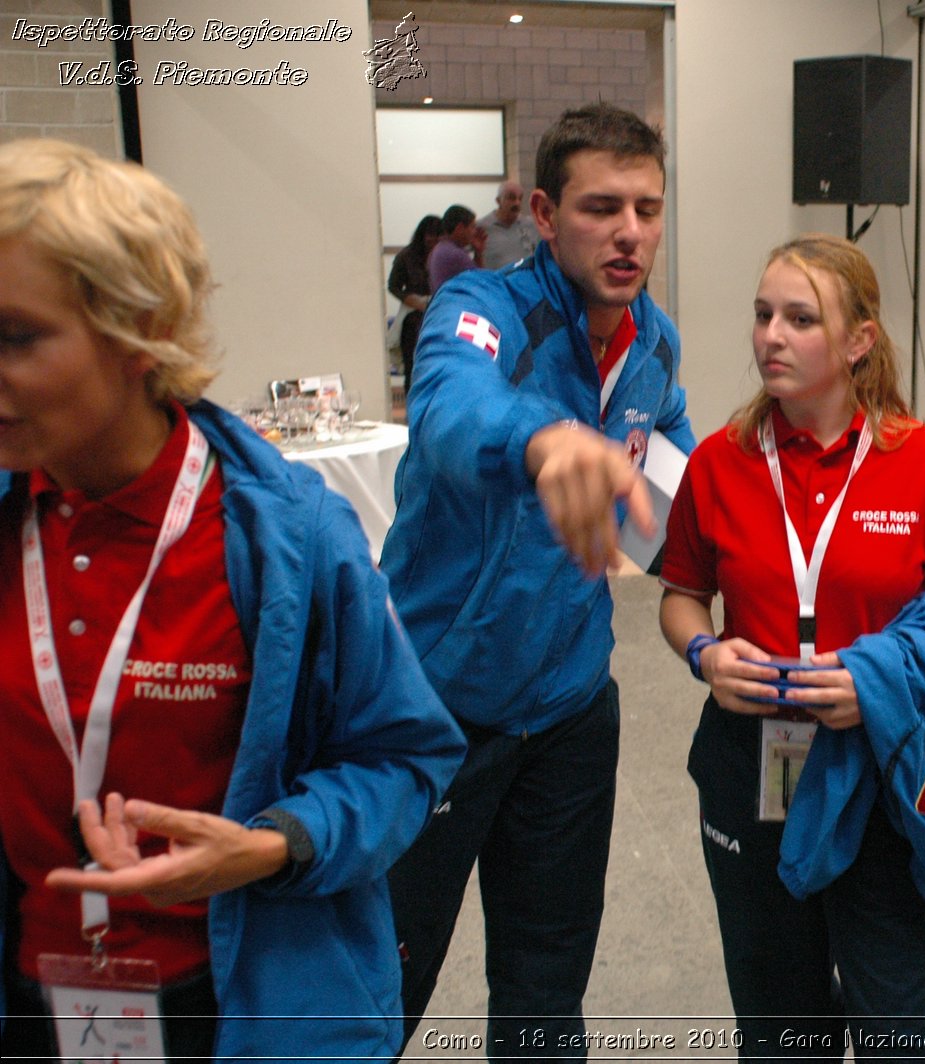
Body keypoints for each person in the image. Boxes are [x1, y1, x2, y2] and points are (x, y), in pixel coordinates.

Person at [0, 138, 464, 1061]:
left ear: (136, 332)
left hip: (247, 1001)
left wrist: (273, 845)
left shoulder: (287, 539)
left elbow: (407, 759)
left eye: (17, 337)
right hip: (32, 1001)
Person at [382, 102, 693, 1057]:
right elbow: (448, 410)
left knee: (547, 985)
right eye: (604, 208)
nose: (630, 232)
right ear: (549, 215)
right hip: (433, 713)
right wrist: (545, 437)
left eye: (647, 208)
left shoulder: (653, 340)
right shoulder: (477, 313)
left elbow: (668, 434)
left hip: (565, 712)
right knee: (386, 977)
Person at [658, 234, 925, 1058]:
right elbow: (680, 598)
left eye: (799, 318)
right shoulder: (720, 462)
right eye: (762, 315)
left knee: (903, 1013)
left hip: (884, 762)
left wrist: (883, 686)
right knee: (779, 1019)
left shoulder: (923, 464)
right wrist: (706, 654)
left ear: (858, 341)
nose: (770, 336)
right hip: (754, 760)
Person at [388, 213, 443, 394]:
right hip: (414, 319)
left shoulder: (445, 255)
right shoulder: (407, 255)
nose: (433, 240)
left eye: (437, 235)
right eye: (429, 235)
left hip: (441, 315)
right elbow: (393, 286)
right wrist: (411, 299)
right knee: (413, 368)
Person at [482, 180, 540, 270]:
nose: (517, 203)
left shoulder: (531, 224)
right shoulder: (482, 227)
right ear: (498, 201)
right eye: (511, 198)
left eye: (520, 198)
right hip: (496, 281)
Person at [427, 203, 482, 292]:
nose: (475, 232)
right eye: (472, 227)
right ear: (460, 228)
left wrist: (478, 252)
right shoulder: (455, 254)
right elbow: (481, 283)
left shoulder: (439, 248)